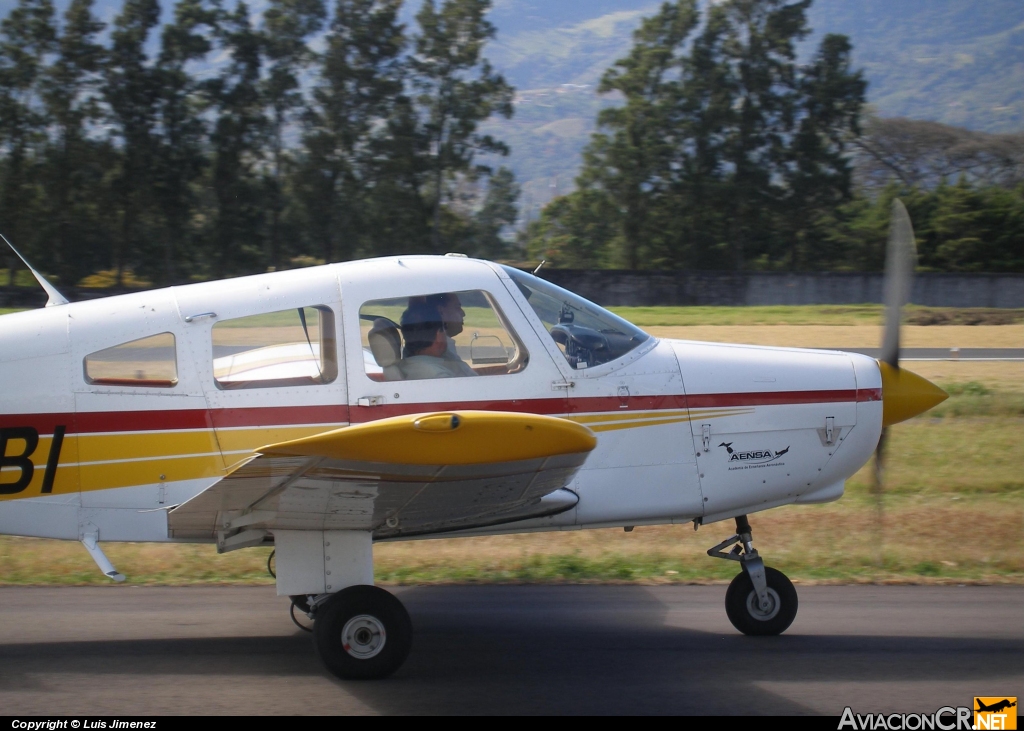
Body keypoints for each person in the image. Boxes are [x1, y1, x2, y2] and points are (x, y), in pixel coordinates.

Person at [399, 300, 475, 379]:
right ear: (439, 334)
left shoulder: (409, 365)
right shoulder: (439, 375)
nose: (446, 334)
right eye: (444, 327)